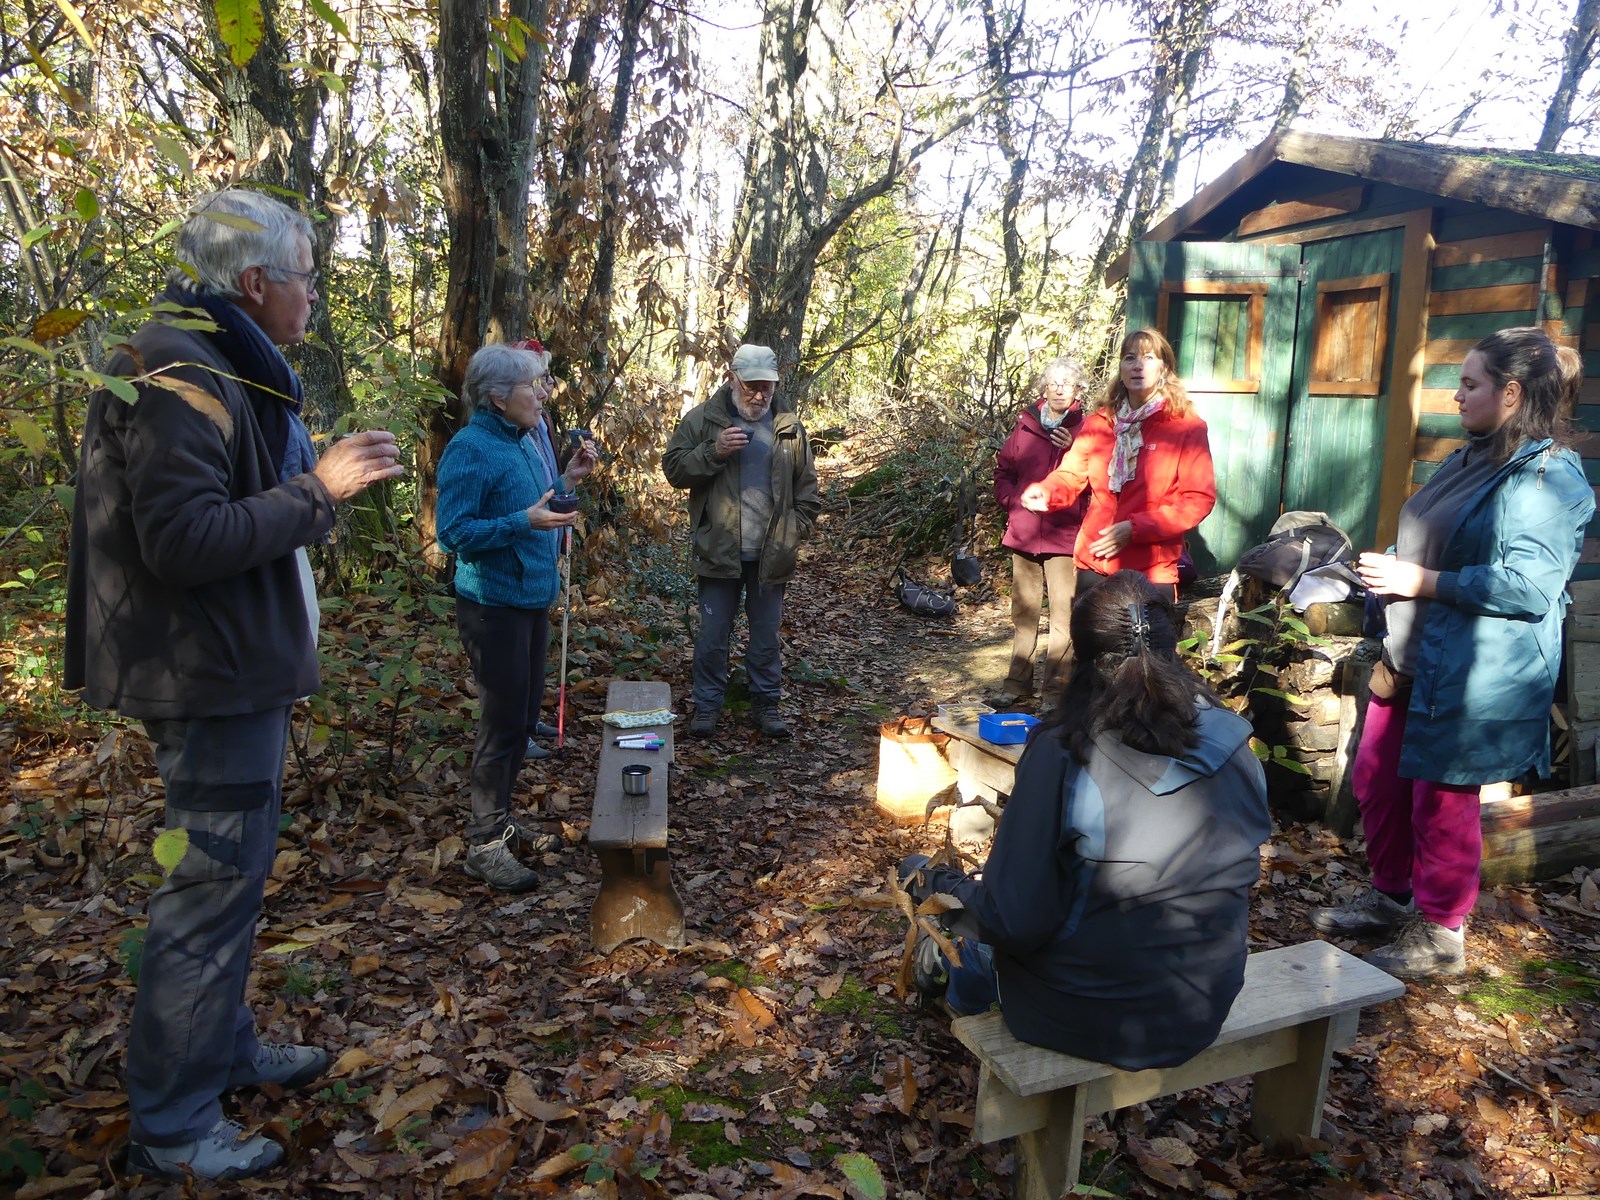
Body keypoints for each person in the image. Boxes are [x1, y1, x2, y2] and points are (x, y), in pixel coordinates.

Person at [64, 188, 404, 1180]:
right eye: (305, 277)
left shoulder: (223, 360)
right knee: (209, 893)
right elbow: (183, 538)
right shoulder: (176, 369)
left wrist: (313, 482)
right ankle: (174, 1122)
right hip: (204, 676)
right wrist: (319, 489)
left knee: (233, 881)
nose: (313, 294)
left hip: (232, 669)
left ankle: (223, 1052)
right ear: (256, 283)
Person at [1310, 327, 1594, 978]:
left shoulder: (1552, 477)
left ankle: (1441, 935)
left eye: (1469, 385)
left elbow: (1530, 587)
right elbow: (1435, 540)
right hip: (1412, 658)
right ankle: (1391, 898)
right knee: (1376, 782)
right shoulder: (1467, 458)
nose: (1455, 397)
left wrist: (1423, 582)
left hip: (1472, 673)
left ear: (1512, 392)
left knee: (1440, 805)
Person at [900, 571, 1271, 1068]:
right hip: (1202, 1004)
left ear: (1080, 657)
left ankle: (963, 1025)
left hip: (1086, 1015)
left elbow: (1012, 920)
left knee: (930, 885)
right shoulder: (1234, 741)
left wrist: (936, 884)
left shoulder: (1065, 754)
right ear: (1172, 649)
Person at [436, 342, 598, 892]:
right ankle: (484, 843)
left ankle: (501, 825)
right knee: (501, 726)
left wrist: (569, 483)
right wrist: (522, 522)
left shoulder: (527, 439)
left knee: (523, 719)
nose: (544, 394)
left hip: (532, 601)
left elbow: (539, 507)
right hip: (491, 606)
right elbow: (454, 534)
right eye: (535, 385)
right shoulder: (470, 447)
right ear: (498, 396)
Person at [662, 343, 819, 740]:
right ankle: (708, 707)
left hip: (771, 555)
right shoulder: (704, 420)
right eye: (751, 385)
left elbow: (808, 488)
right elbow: (674, 470)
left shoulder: (788, 425)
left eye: (766, 386)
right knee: (713, 637)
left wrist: (794, 530)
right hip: (720, 549)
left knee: (766, 637)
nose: (759, 394)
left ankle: (766, 705)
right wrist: (713, 451)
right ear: (733, 378)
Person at [1020, 329, 1214, 598]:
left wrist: (1135, 529)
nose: (1137, 366)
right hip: (1095, 561)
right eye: (1129, 358)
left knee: (1143, 642)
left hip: (1151, 570)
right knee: (1089, 641)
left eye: (1148, 358)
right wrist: (1046, 492)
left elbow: (1197, 500)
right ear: (1121, 368)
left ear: (1164, 368)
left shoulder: (1186, 427)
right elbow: (1070, 474)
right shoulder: (1100, 423)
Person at [991, 357, 1091, 707]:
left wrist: (1070, 449)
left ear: (1078, 389)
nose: (1061, 388)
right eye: (1054, 382)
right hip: (1024, 532)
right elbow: (1004, 470)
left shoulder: (1087, 429)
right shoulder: (1026, 424)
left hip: (1065, 536)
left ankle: (1054, 693)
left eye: (1068, 382)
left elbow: (1095, 477)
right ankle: (1016, 685)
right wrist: (1012, 501)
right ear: (1044, 388)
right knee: (1024, 611)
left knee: (1063, 616)